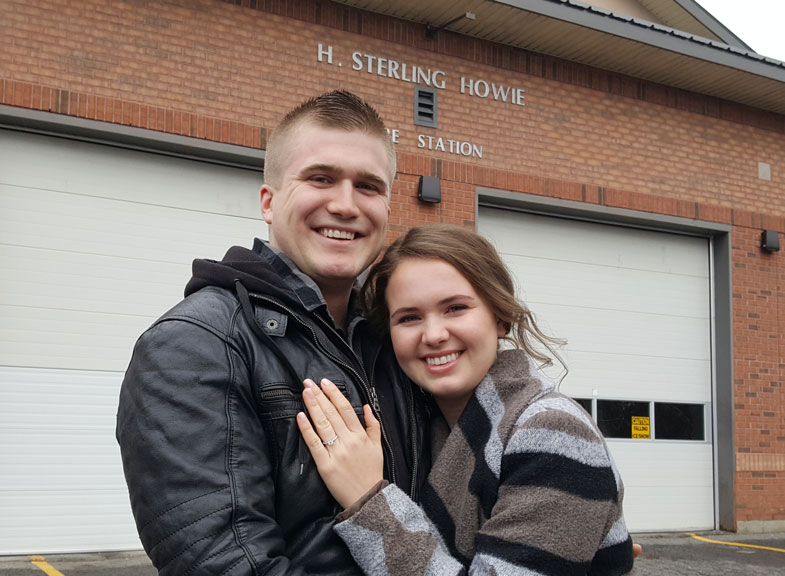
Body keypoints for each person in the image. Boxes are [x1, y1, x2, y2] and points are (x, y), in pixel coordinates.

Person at [115, 91, 429, 575]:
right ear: (269, 200)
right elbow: (223, 563)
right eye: (320, 178)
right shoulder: (197, 343)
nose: (345, 205)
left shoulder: (397, 338)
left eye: (368, 186)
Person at [297, 223, 636, 575]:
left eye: (455, 308)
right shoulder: (427, 429)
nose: (434, 335)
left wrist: (368, 500)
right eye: (409, 317)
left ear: (500, 316)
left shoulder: (552, 431)